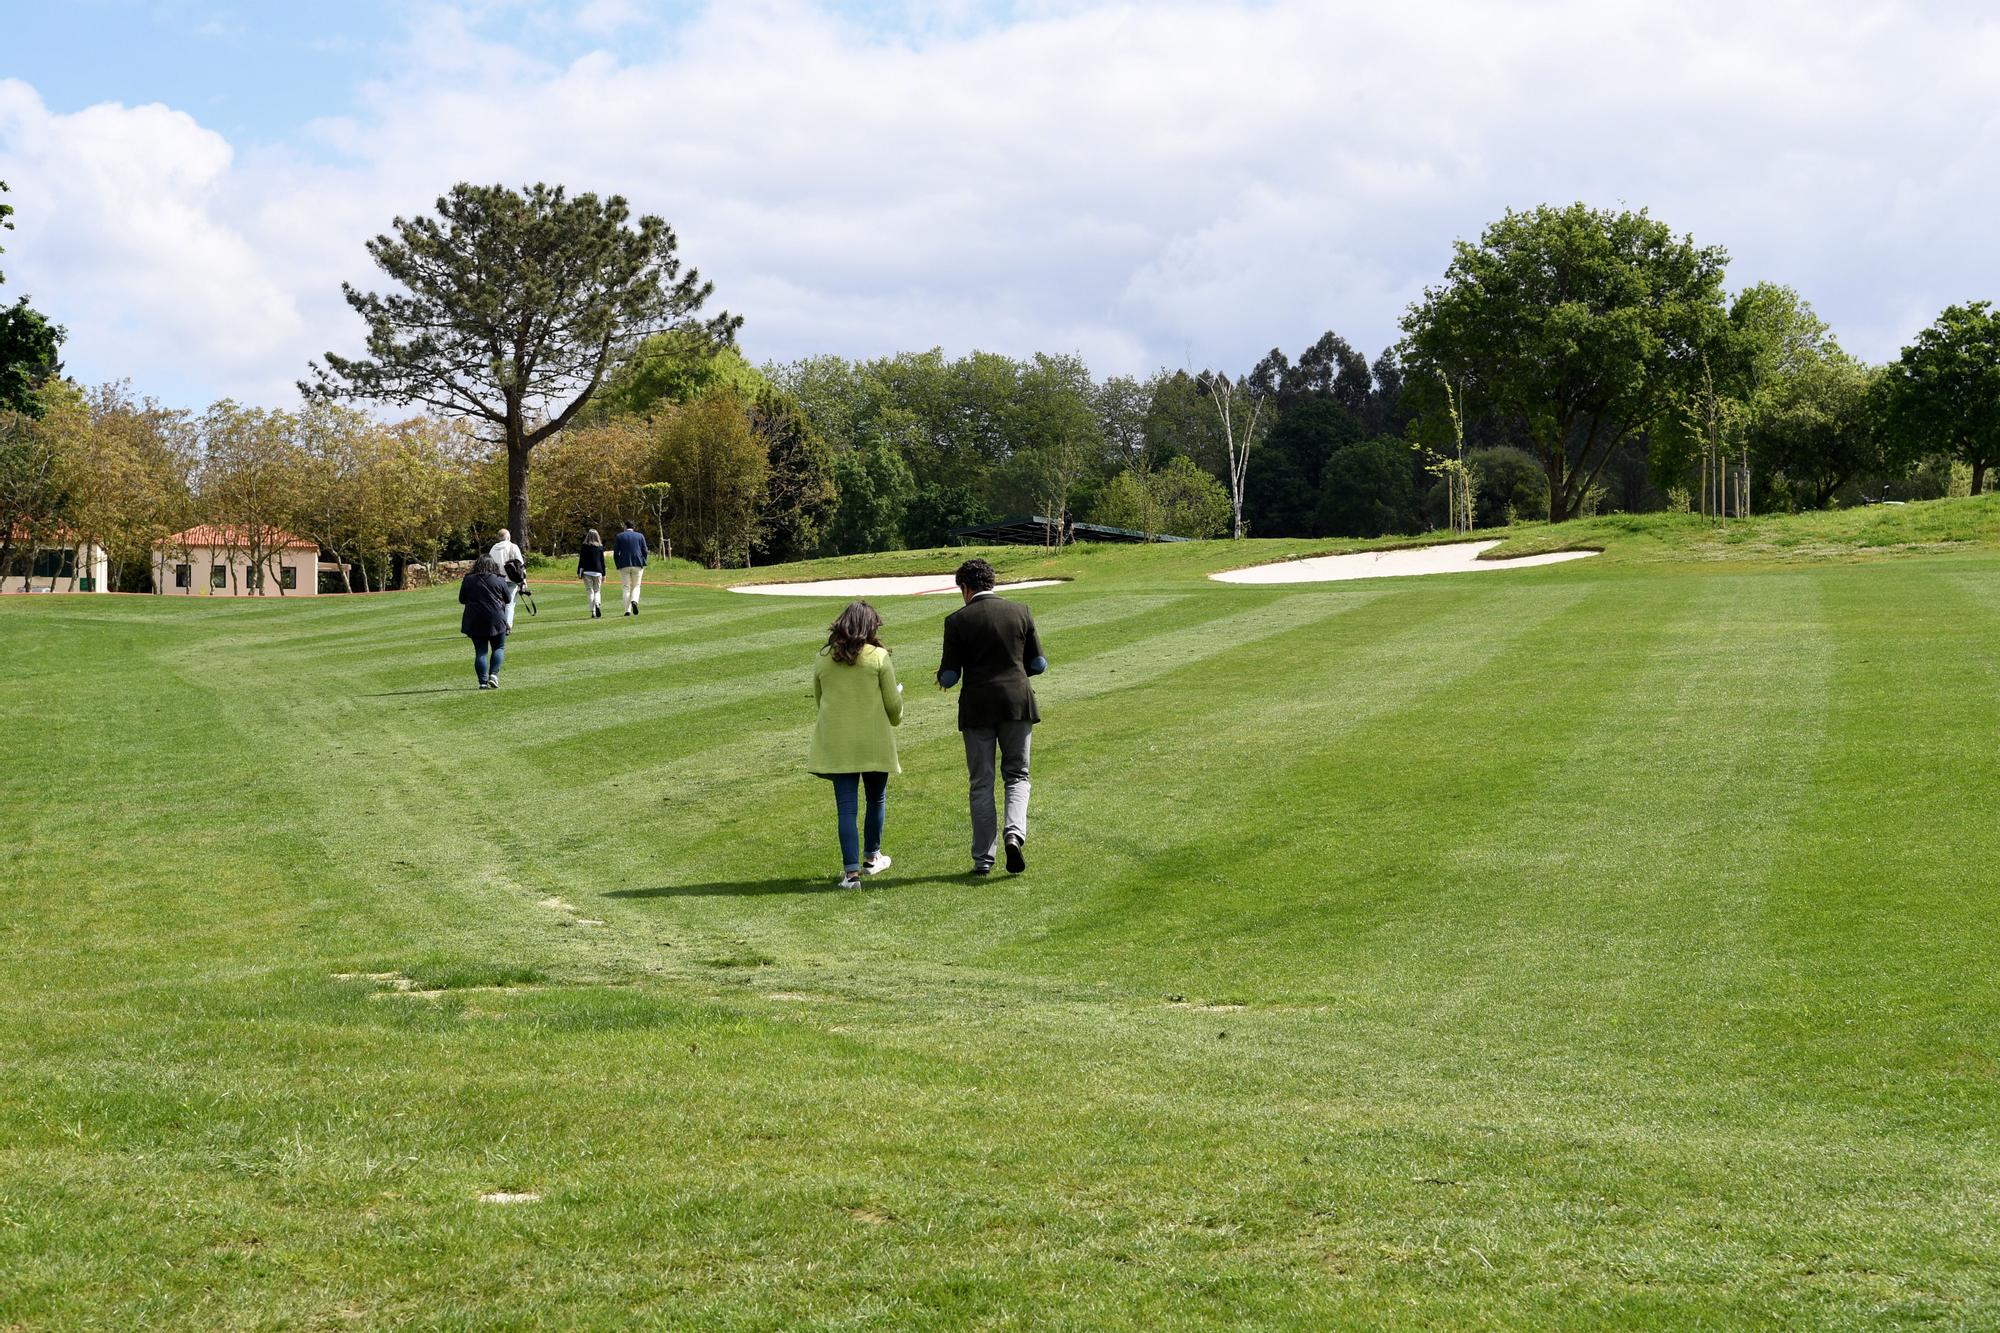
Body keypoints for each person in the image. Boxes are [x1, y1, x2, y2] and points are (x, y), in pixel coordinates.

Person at [936, 558, 1046, 875]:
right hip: (1017, 703)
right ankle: (1014, 833)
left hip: (977, 707)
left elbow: (949, 676)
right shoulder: (1020, 612)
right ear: (992, 583)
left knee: (981, 783)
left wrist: (940, 678)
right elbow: (1038, 664)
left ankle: (984, 858)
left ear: (965, 588)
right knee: (1017, 775)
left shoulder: (957, 620)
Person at [807, 600, 902, 889]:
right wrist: (899, 704)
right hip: (873, 742)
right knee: (876, 799)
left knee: (846, 809)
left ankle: (851, 874)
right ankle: (872, 857)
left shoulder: (823, 657)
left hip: (839, 744)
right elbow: (893, 706)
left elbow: (820, 700)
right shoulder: (878, 657)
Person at [458, 555, 513, 689]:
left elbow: (462, 599)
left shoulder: (468, 579)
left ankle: (482, 682)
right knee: (499, 647)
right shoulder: (499, 579)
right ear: (493, 565)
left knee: (481, 651)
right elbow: (508, 599)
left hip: (475, 618)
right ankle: (493, 675)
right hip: (496, 618)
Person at [489, 528, 525, 629]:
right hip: (511, 579)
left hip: (496, 579)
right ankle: (508, 624)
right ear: (508, 537)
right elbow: (520, 565)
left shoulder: (493, 548)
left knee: (498, 603)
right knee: (510, 602)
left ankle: (498, 624)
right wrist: (523, 580)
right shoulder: (513, 547)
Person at [612, 521, 648, 616]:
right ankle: (634, 601)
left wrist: (617, 564)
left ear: (625, 526)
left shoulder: (619, 536)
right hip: (637, 563)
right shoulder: (640, 536)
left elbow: (616, 553)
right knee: (636, 585)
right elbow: (645, 551)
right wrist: (643, 560)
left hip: (624, 564)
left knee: (626, 587)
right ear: (633, 527)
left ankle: (627, 610)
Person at [578, 528, 606, 619]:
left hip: (587, 571)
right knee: (597, 590)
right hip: (598, 571)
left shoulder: (584, 546)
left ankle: (593, 611)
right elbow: (602, 561)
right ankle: (597, 604)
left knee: (590, 591)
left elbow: (581, 560)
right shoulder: (600, 547)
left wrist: (579, 571)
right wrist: (604, 574)